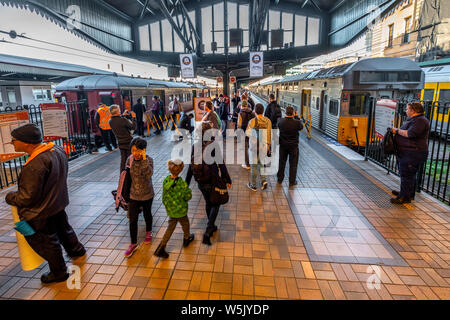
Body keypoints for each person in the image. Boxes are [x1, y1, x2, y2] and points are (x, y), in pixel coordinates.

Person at [5, 124, 85, 284]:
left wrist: (10, 197)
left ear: (26, 142)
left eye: (13, 140)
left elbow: (26, 197)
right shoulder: (57, 150)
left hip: (41, 211)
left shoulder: (35, 165)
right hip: (57, 202)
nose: (12, 143)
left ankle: (59, 272)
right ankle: (77, 250)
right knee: (64, 229)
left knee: (48, 241)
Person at [186, 122, 232, 245]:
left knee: (208, 202)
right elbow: (221, 164)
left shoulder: (195, 146)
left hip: (200, 181)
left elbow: (191, 166)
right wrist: (227, 179)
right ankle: (208, 229)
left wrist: (187, 182)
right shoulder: (213, 145)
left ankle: (211, 225)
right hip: (212, 179)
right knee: (215, 203)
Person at [391, 102, 430, 204]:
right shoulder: (415, 120)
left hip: (413, 153)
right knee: (408, 175)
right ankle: (407, 193)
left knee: (407, 175)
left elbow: (411, 134)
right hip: (408, 152)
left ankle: (404, 197)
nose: (406, 110)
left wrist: (397, 131)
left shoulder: (420, 121)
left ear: (413, 111)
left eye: (407, 109)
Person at [154, 159, 195, 258]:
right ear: (180, 169)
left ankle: (161, 247)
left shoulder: (166, 181)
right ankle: (186, 238)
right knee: (185, 223)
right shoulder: (182, 183)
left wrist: (169, 206)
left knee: (170, 228)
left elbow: (164, 198)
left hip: (171, 211)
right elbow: (188, 196)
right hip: (181, 211)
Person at [124, 137, 154, 258]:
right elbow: (126, 176)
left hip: (147, 194)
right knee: (132, 219)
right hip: (133, 195)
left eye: (138, 150)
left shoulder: (149, 160)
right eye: (133, 150)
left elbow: (149, 174)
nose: (135, 153)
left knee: (147, 214)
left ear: (143, 150)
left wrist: (143, 160)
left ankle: (148, 232)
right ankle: (133, 243)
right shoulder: (129, 159)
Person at [246, 103, 272, 191]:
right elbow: (269, 135)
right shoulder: (268, 121)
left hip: (254, 147)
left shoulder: (252, 121)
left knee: (253, 166)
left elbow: (247, 133)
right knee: (262, 165)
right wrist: (268, 146)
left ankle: (253, 185)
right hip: (264, 146)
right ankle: (264, 181)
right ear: (263, 111)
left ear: (255, 111)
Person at [277, 106, 304, 186]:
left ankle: (280, 179)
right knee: (293, 164)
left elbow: (278, 125)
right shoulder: (297, 123)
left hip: (283, 146)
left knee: (282, 163)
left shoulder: (281, 121)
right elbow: (301, 127)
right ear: (293, 113)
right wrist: (297, 117)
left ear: (285, 113)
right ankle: (292, 181)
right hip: (294, 147)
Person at [109, 105, 137, 172]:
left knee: (123, 159)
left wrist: (122, 115)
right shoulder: (123, 120)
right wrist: (134, 118)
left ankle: (122, 173)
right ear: (117, 111)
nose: (120, 110)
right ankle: (130, 172)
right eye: (119, 109)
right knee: (130, 158)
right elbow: (133, 127)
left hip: (120, 142)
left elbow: (117, 120)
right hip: (128, 142)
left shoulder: (110, 121)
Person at [237, 100, 255, 169]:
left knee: (245, 148)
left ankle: (247, 164)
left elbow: (239, 124)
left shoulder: (240, 113)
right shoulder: (252, 113)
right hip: (251, 132)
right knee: (251, 147)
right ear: (247, 106)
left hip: (243, 132)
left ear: (242, 106)